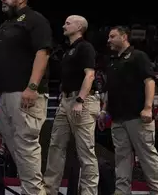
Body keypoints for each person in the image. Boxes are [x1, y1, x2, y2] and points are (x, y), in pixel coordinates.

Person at [0, 0, 52, 195]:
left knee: (26, 144)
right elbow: (4, 59)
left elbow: (43, 52)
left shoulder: (34, 20)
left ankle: (33, 192)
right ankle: (30, 189)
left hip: (24, 92)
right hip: (5, 93)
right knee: (15, 145)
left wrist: (32, 86)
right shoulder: (7, 24)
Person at [99, 26, 158, 195]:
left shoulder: (138, 56)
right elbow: (109, 89)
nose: (109, 40)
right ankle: (122, 192)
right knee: (121, 159)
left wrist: (148, 108)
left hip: (138, 116)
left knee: (147, 157)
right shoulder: (112, 61)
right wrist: (103, 111)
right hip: (117, 118)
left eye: (112, 36)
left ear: (124, 37)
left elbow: (149, 82)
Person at [44, 15, 99, 195]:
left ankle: (88, 193)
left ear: (79, 27)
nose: (63, 25)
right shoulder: (69, 50)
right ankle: (50, 190)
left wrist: (80, 100)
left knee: (85, 151)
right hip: (66, 100)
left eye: (68, 23)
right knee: (55, 146)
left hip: (81, 101)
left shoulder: (85, 47)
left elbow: (89, 75)